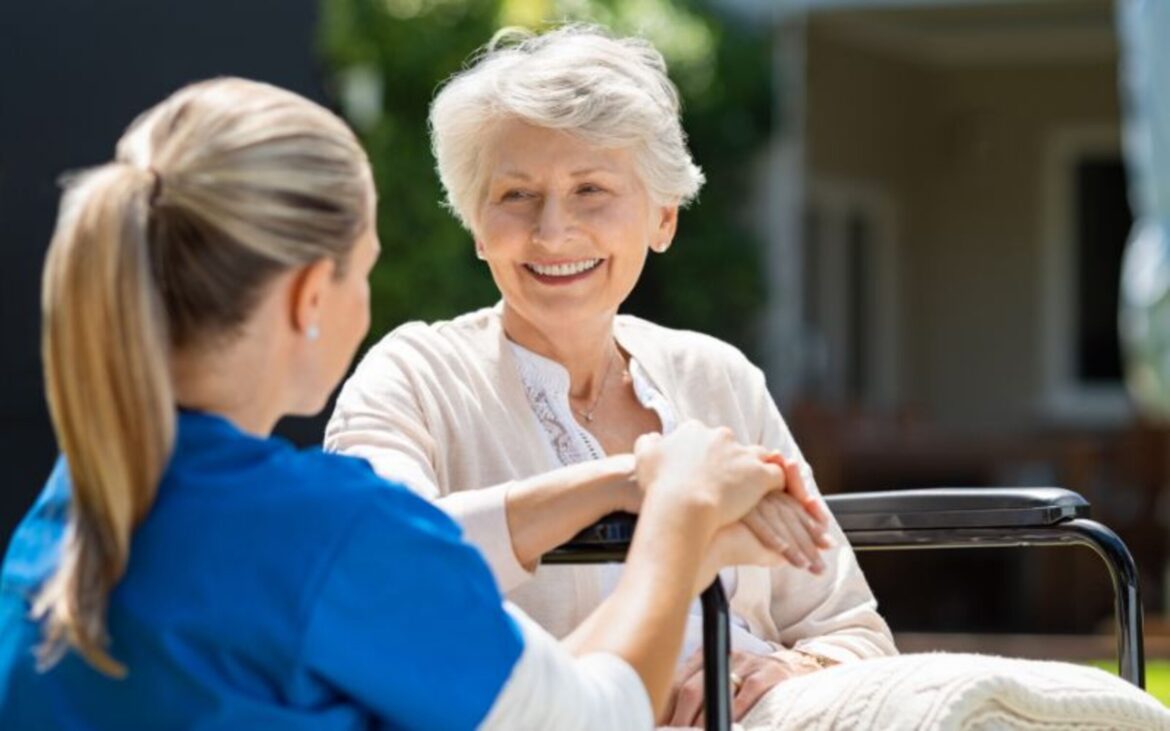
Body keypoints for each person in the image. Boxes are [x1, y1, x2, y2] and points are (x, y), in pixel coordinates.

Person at [0, 77, 817, 729]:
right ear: (311, 295)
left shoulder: (73, 506)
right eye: (366, 268)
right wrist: (678, 514)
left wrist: (626, 489)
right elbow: (595, 715)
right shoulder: (330, 535)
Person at [324, 24, 897, 727]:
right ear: (476, 225)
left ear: (663, 217)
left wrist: (785, 671)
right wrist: (633, 481)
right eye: (515, 196)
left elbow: (853, 629)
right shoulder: (412, 376)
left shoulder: (717, 377)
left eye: (591, 189)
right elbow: (380, 567)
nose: (553, 231)